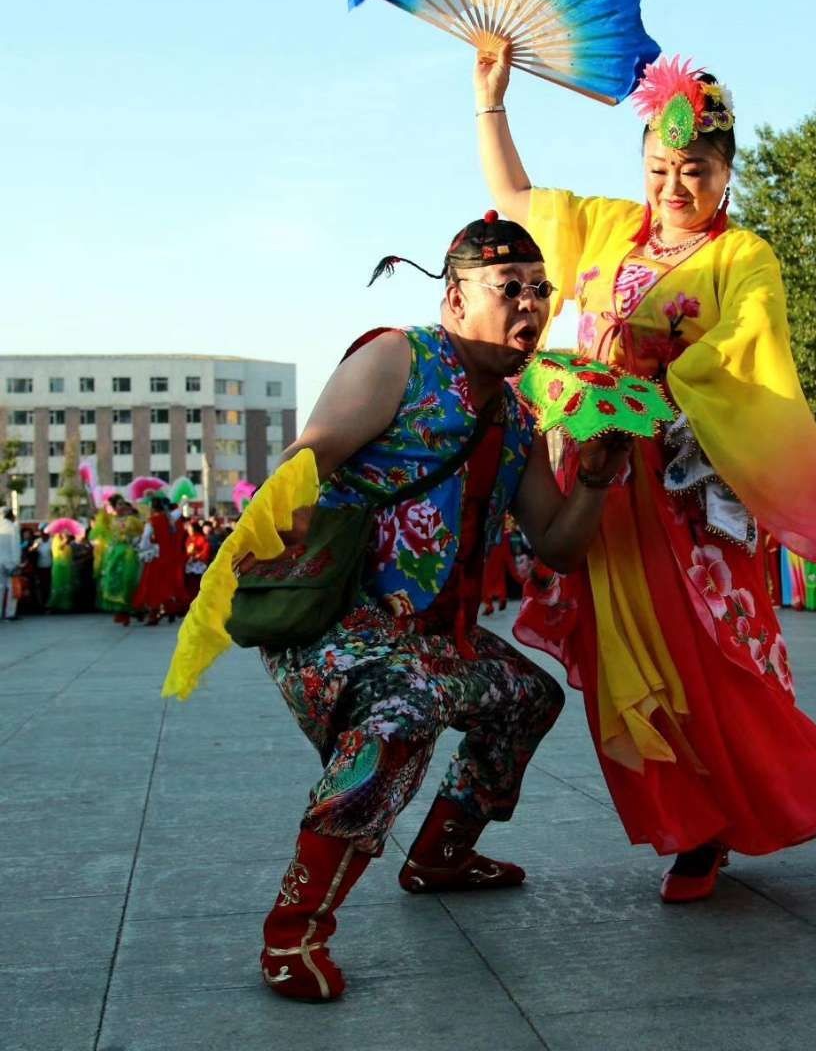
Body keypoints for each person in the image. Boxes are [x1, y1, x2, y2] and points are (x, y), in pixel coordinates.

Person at [162, 211, 631, 1003]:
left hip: (430, 636)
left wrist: (596, 475)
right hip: (334, 625)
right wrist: (297, 513)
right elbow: (305, 461)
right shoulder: (396, 359)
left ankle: (441, 854)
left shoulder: (518, 416)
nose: (531, 304)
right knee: (404, 712)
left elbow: (557, 545)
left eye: (540, 290)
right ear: (455, 301)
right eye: (507, 287)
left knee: (527, 696)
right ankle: (294, 932)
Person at [476, 46, 816, 901]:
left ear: (726, 171)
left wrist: (657, 386)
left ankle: (725, 820)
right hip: (600, 481)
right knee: (623, 653)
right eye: (659, 167)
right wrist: (492, 103)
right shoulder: (610, 228)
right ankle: (687, 824)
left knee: (706, 652)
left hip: (687, 487)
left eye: (693, 169)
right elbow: (515, 203)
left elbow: (748, 350)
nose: (673, 186)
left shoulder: (745, 258)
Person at [132, 496, 187, 624]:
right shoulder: (171, 519)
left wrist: (141, 548)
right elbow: (178, 511)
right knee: (168, 586)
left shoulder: (152, 521)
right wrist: (183, 502)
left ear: (152, 507)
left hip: (157, 559)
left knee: (153, 587)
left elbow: (145, 541)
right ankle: (171, 610)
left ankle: (153, 614)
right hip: (170, 558)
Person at [98, 496, 144, 624]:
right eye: (119, 504)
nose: (122, 506)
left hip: (128, 553)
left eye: (123, 504)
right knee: (114, 581)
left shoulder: (132, 520)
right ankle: (120, 611)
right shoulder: (111, 521)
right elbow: (103, 531)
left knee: (128, 581)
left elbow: (143, 533)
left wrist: (134, 540)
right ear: (114, 507)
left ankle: (134, 609)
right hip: (114, 554)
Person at [47, 531, 75, 612]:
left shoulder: (67, 542)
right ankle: (54, 606)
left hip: (67, 566)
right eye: (64, 531)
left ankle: (65, 605)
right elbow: (59, 547)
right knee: (58, 584)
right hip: (59, 566)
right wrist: (65, 540)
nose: (66, 533)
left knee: (66, 584)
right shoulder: (56, 540)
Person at [0, 508, 20, 621]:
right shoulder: (13, 526)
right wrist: (16, 562)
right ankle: (10, 613)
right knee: (12, 587)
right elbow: (15, 545)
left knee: (0, 587)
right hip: (10, 561)